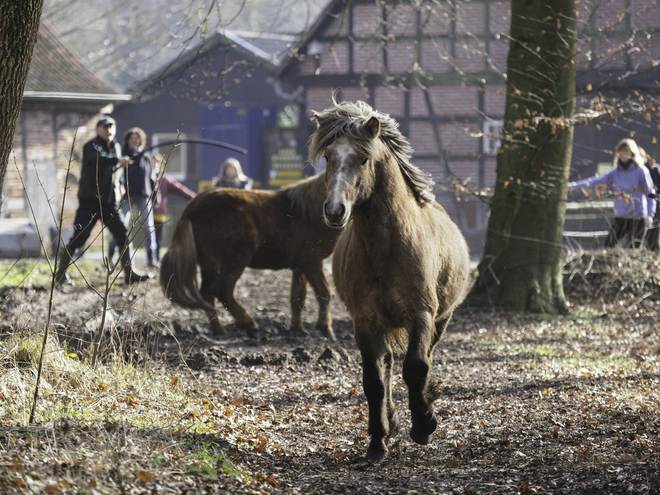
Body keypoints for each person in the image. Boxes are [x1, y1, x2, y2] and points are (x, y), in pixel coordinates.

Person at [55, 116, 152, 285]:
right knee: (79, 238)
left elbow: (119, 171)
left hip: (110, 203)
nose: (109, 131)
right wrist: (118, 160)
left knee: (123, 235)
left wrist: (121, 184)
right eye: (105, 128)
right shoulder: (91, 145)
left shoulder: (116, 146)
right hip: (89, 202)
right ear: (98, 130)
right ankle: (60, 275)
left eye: (111, 128)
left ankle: (129, 273)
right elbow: (99, 158)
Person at [568, 138, 656, 249]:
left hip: (637, 218)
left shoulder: (641, 171)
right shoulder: (615, 172)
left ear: (632, 152)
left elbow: (650, 192)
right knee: (608, 247)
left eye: (626, 150)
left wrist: (650, 215)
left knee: (634, 250)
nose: (623, 154)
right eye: (621, 151)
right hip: (621, 217)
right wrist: (571, 186)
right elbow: (596, 182)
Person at [108, 127, 159, 267]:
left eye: (137, 138)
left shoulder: (146, 154)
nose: (135, 140)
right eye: (132, 138)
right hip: (126, 195)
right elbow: (116, 174)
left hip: (144, 194)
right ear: (128, 139)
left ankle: (151, 258)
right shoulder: (123, 154)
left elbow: (152, 177)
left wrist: (156, 195)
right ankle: (111, 255)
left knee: (148, 226)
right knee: (120, 225)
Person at [152, 154, 196, 264]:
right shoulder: (144, 176)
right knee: (148, 236)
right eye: (152, 162)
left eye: (157, 162)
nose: (154, 164)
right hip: (145, 212)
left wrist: (196, 198)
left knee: (157, 237)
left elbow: (180, 189)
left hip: (159, 212)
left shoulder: (164, 179)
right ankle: (150, 257)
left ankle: (156, 258)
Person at [640, 147, 660, 250]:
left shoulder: (654, 170)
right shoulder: (636, 172)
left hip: (656, 208)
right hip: (642, 210)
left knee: (653, 237)